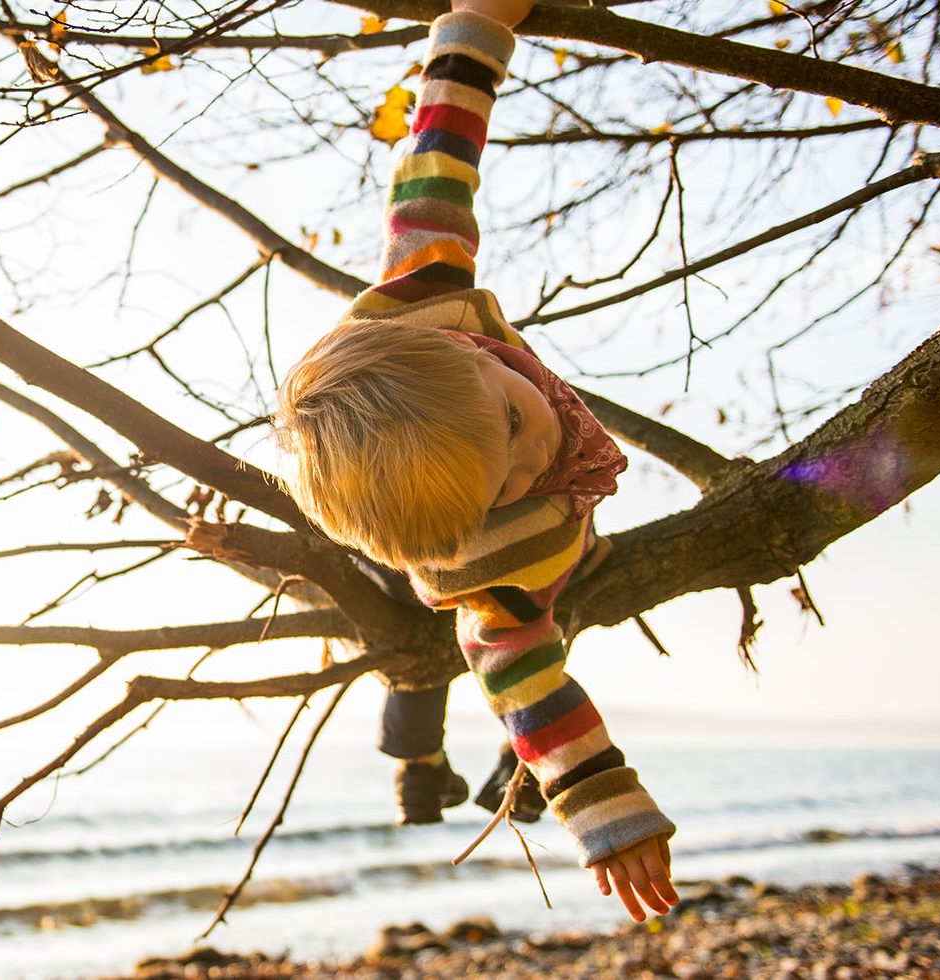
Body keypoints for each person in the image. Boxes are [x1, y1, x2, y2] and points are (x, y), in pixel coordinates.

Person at [274, 0, 679, 922]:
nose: (537, 453)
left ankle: (511, 729)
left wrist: (472, 26)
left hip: (547, 525)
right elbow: (527, 683)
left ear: (461, 353)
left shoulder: (430, 299)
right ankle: (454, 775)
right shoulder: (484, 570)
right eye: (505, 481)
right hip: (523, 568)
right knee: (515, 629)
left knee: (552, 575)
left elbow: (438, 156)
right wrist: (607, 809)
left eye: (511, 419)